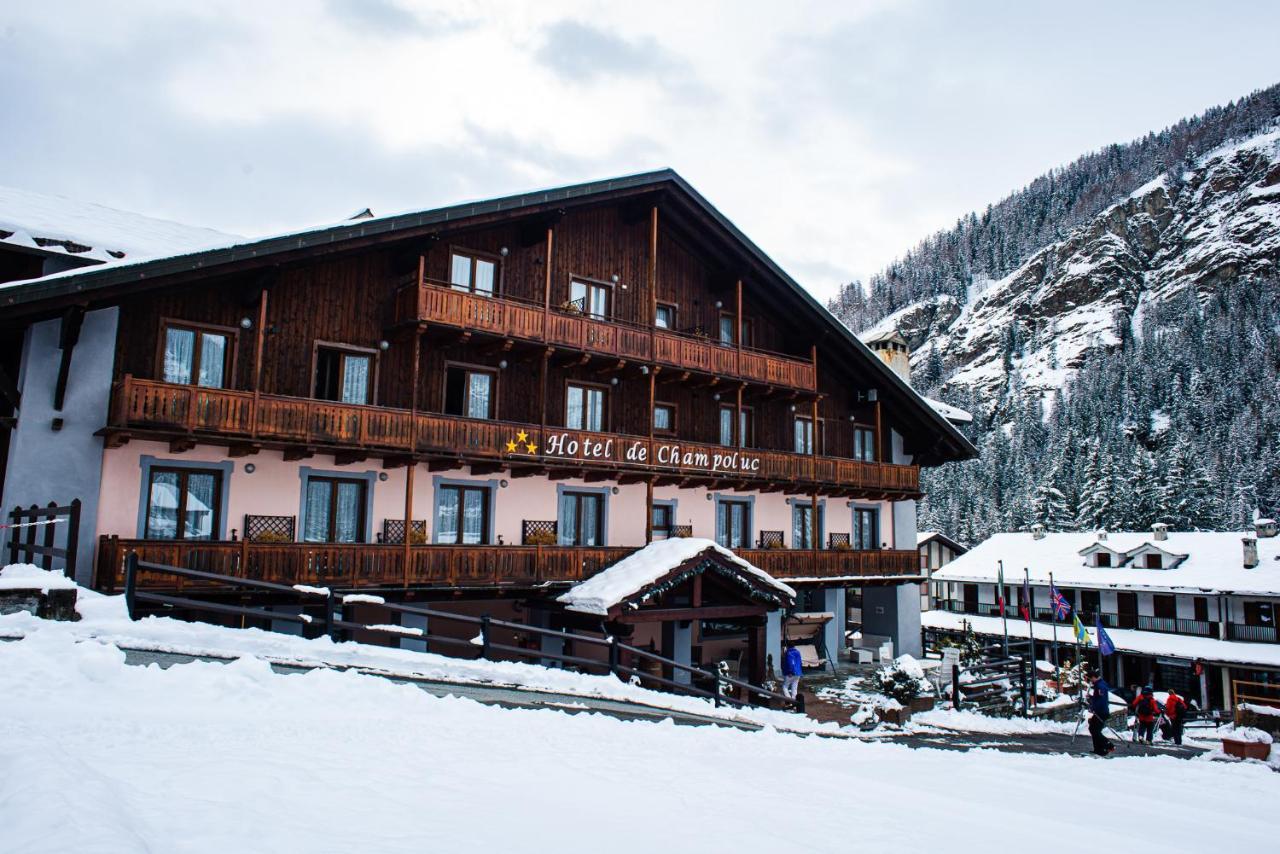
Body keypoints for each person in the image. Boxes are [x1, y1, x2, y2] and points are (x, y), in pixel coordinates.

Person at [1087, 671, 1114, 756]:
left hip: (1101, 712)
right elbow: (1098, 698)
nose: (1090, 681)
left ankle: (1108, 745)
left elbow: (1101, 700)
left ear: (1093, 677)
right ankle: (1099, 749)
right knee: (1093, 729)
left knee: (1095, 730)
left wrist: (1093, 707)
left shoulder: (1100, 686)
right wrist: (1091, 698)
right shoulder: (1099, 684)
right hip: (1100, 711)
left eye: (1090, 679)